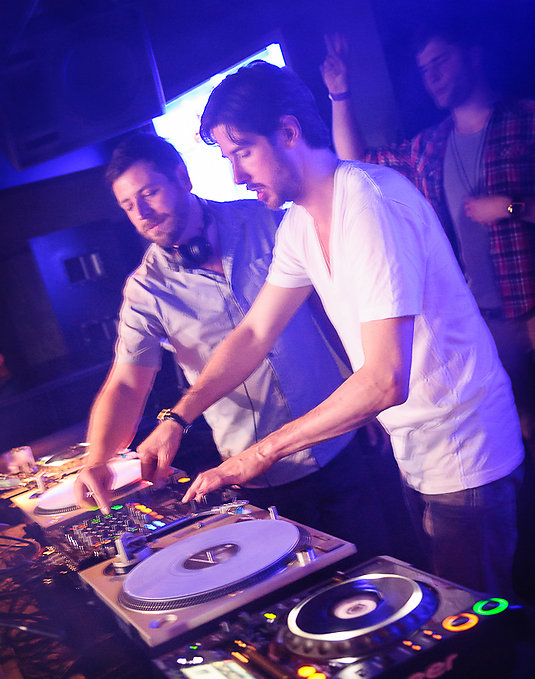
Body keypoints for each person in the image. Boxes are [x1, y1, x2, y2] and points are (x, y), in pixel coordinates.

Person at [161, 60, 524, 597]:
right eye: (227, 159)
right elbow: (255, 334)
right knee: (446, 611)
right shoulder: (299, 223)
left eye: (243, 152)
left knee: (470, 627)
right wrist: (179, 416)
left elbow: (385, 380)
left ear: (288, 132)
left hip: (465, 449)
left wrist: (260, 453)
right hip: (418, 450)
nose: (236, 175)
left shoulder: (370, 203)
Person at [74, 126, 398, 560]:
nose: (142, 213)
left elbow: (332, 309)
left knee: (377, 567)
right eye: (129, 205)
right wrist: (97, 458)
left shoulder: (265, 220)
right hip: (256, 476)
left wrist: (362, 389)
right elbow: (127, 384)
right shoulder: (145, 290)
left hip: (338, 441)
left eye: (149, 193)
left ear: (182, 177)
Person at [324, 22, 535, 461]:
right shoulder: (432, 146)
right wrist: (340, 94)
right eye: (424, 70)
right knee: (519, 436)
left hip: (531, 307)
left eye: (441, 62)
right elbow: (357, 163)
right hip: (486, 321)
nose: (432, 77)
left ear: (473, 56)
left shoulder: (526, 120)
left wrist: (513, 207)